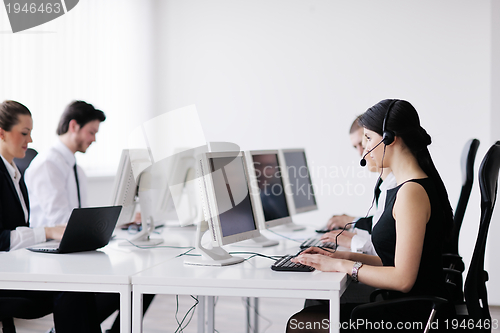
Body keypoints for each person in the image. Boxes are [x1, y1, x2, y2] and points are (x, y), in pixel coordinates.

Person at [287, 99, 454, 331]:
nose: (364, 149)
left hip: (413, 316)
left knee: (303, 323)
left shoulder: (411, 193)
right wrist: (338, 258)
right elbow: (391, 262)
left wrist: (345, 267)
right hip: (405, 304)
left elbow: (403, 280)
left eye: (368, 139)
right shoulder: (406, 187)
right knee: (313, 310)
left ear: (389, 138)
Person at [25, 100, 154, 333]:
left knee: (144, 282)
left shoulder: (76, 168)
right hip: (51, 256)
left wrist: (120, 221)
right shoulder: (48, 165)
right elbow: (62, 223)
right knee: (125, 281)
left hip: (71, 253)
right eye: (91, 131)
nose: (94, 138)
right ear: (74, 126)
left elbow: (80, 219)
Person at [0, 100, 102, 333]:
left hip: (17, 263)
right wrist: (47, 231)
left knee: (78, 284)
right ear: (2, 133)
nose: (30, 140)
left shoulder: (14, 173)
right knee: (72, 286)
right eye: (24, 133)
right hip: (7, 273)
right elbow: (1, 239)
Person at [322, 116, 396, 254]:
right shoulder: (386, 185)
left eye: (364, 143)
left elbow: (388, 254)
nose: (361, 153)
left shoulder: (401, 188)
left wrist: (347, 252)